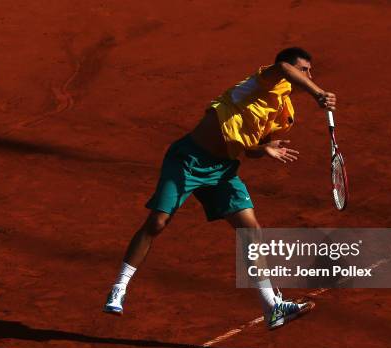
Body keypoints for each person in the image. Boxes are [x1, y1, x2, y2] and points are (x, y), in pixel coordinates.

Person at [103, 47, 336, 330]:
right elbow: (287, 70)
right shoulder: (264, 80)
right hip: (188, 160)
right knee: (158, 222)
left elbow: (249, 151)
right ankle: (119, 287)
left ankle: (272, 307)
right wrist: (318, 93)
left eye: (310, 71)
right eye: (304, 70)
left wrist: (265, 150)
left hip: (222, 170)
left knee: (251, 230)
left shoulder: (283, 113)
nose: (308, 75)